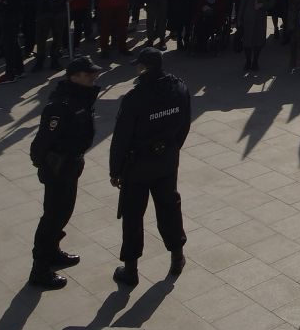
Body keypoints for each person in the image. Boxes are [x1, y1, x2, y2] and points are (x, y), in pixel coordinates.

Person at [108, 46, 191, 287]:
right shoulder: (179, 88)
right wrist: (173, 148)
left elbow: (121, 137)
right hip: (166, 161)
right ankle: (177, 257)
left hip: (137, 166)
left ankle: (131, 270)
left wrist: (115, 169)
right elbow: (184, 123)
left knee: (133, 216)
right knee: (169, 208)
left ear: (143, 67)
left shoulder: (135, 98)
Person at [28, 55, 100, 290]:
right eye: (88, 74)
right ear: (73, 77)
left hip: (72, 164)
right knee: (52, 216)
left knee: (64, 212)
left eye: (94, 73)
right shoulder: (61, 105)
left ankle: (53, 251)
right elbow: (43, 141)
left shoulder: (81, 97)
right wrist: (43, 165)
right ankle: (39, 269)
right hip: (58, 167)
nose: (94, 76)